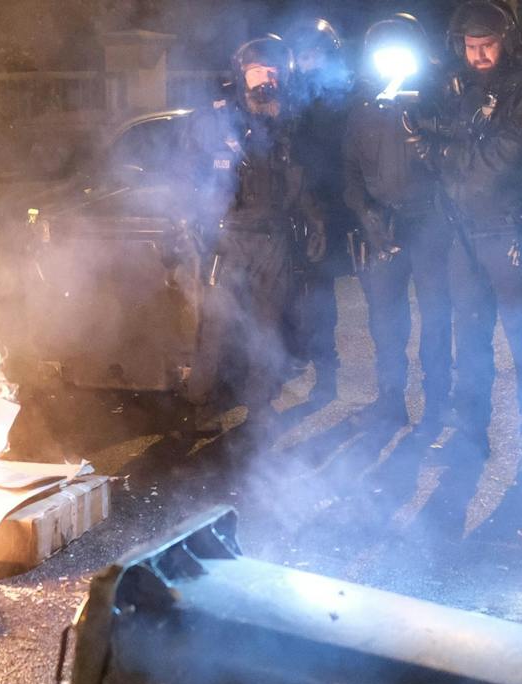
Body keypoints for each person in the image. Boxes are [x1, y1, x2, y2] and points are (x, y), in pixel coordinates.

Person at [424, 0, 522, 486]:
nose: (479, 55)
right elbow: (438, 154)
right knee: (472, 343)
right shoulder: (455, 89)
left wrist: (441, 149)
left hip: (513, 234)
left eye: (488, 45)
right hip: (466, 233)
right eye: (471, 46)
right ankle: (471, 437)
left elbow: (503, 160)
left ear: (508, 42)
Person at [185, 36, 326, 440]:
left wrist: (315, 223)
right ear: (242, 73)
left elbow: (301, 182)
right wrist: (192, 225)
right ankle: (197, 408)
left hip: (274, 240)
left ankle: (259, 408)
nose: (268, 78)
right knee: (215, 326)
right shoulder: (214, 121)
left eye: (275, 71)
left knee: (267, 327)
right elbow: (188, 177)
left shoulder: (290, 123)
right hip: (228, 238)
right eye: (260, 70)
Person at [343, 13, 454, 427]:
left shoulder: (439, 102)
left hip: (431, 226)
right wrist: (366, 214)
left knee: (436, 318)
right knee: (386, 321)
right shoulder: (362, 110)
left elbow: (456, 165)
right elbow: (350, 173)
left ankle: (438, 406)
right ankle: (390, 402)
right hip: (382, 229)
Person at [285, 18, 355, 409]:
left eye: (315, 52)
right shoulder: (288, 96)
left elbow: (343, 157)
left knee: (319, 298)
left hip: (325, 209)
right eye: (303, 53)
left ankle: (326, 375)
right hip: (287, 211)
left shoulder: (339, 98)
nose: (307, 60)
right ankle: (285, 364)